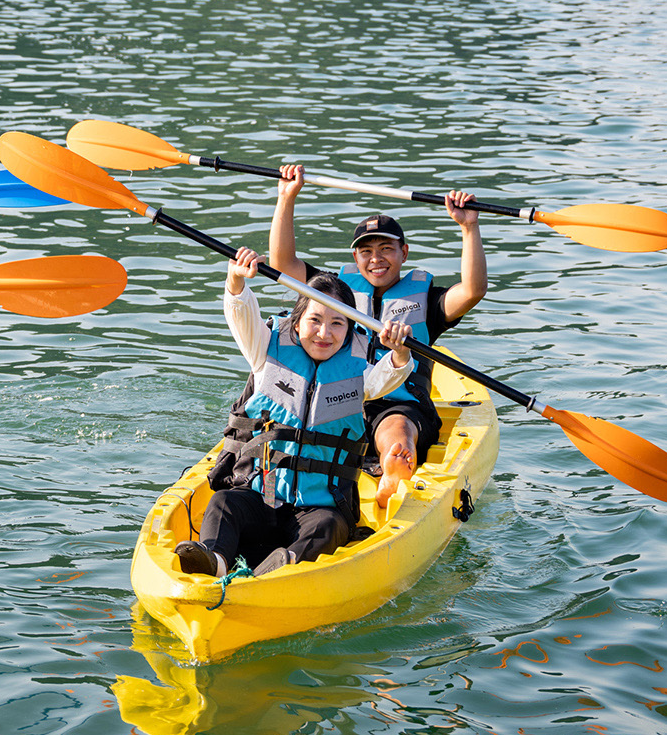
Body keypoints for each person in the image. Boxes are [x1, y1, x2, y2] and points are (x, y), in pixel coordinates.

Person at [178, 247, 414, 579]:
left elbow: (391, 373)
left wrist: (401, 352)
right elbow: (240, 314)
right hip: (262, 495)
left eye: (337, 323)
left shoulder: (360, 372)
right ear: (297, 320)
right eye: (315, 320)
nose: (324, 333)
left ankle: (277, 569)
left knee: (329, 526)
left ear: (349, 329)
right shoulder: (265, 351)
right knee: (223, 504)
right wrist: (236, 281)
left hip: (319, 506)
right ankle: (215, 561)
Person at [267, 165, 485, 508]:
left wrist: (469, 227)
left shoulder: (425, 300)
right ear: (355, 257)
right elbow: (283, 264)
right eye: (366, 251)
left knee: (395, 430)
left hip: (397, 404)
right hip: (336, 399)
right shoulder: (334, 294)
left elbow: (472, 290)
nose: (376, 258)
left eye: (386, 249)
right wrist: (286, 197)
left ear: (404, 253)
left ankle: (396, 466)